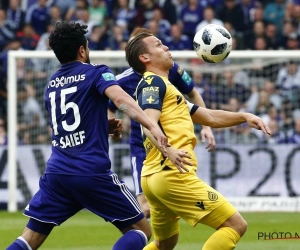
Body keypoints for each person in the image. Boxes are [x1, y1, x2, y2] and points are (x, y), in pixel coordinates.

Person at [6, 22, 169, 250]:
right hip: (90, 172)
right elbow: (121, 100)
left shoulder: (51, 85)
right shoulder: (96, 72)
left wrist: (102, 126)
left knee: (28, 239)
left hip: (57, 174)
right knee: (141, 230)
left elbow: (67, 127)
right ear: (82, 50)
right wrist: (152, 125)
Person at [125, 32, 272, 250]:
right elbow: (149, 124)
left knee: (165, 244)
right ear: (145, 58)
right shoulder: (152, 83)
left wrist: (243, 116)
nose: (166, 47)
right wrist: (169, 151)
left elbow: (209, 116)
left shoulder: (166, 87)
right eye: (158, 45)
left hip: (154, 177)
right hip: (172, 173)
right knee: (235, 225)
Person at [108, 28, 216, 219]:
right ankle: (138, 237)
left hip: (173, 143)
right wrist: (112, 127)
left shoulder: (171, 68)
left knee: (169, 209)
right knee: (147, 208)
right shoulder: (123, 80)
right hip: (142, 148)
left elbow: (193, 93)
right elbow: (110, 105)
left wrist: (206, 127)